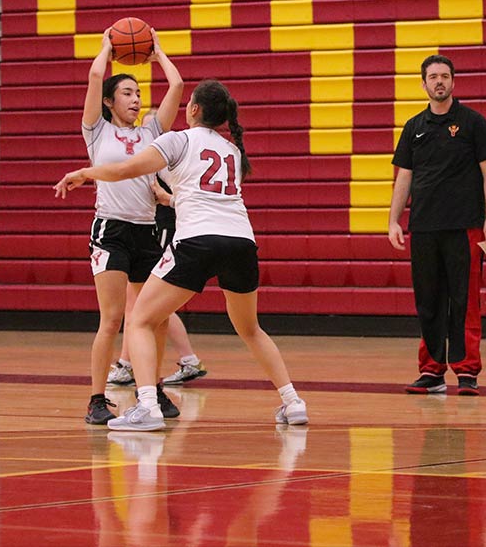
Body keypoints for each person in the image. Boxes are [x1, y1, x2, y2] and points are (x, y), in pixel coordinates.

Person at [55, 79, 308, 431]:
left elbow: (126, 170)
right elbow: (204, 195)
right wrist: (168, 198)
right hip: (242, 242)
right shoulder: (232, 150)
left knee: (141, 320)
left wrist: (85, 172)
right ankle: (293, 402)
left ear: (192, 110)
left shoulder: (178, 139)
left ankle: (146, 406)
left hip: (198, 241)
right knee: (250, 329)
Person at [80, 27, 184, 424]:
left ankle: (151, 388)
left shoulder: (151, 131)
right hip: (111, 230)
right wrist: (108, 46)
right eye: (127, 92)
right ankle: (96, 398)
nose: (136, 98)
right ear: (108, 101)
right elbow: (94, 77)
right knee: (112, 319)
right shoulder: (97, 131)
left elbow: (176, 84)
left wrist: (157, 53)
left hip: (147, 230)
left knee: (152, 318)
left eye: (139, 93)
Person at [388, 54, 486, 396]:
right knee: (428, 301)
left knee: (464, 300)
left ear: (453, 81)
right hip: (423, 228)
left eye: (444, 76)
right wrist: (394, 220)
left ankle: (466, 371)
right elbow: (403, 177)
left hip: (466, 226)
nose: (439, 81)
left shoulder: (472, 123)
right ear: (423, 84)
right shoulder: (413, 128)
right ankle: (432, 371)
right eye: (433, 77)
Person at [108, 174, 208, 387]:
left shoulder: (161, 151)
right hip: (154, 222)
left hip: (161, 224)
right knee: (139, 300)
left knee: (145, 301)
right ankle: (186, 359)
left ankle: (128, 365)